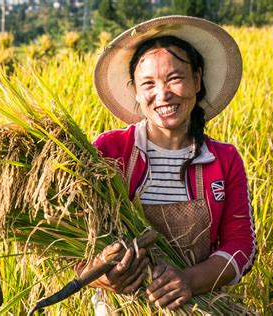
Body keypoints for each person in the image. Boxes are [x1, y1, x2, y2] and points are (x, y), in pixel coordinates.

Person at [74, 16, 256, 312]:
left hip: (199, 304)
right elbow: (74, 237)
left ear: (197, 80)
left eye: (175, 78)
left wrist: (189, 280)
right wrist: (102, 276)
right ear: (135, 90)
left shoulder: (224, 159)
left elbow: (241, 245)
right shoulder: (110, 150)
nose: (163, 94)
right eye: (149, 83)